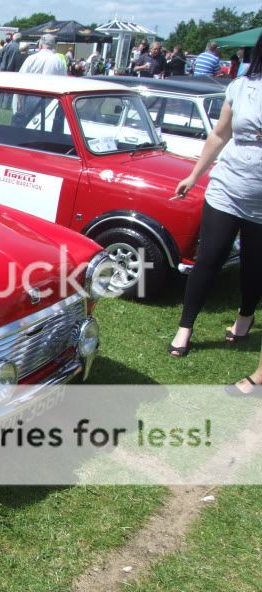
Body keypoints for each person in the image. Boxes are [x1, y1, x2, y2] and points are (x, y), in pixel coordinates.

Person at [168, 31, 262, 357]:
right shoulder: (242, 87)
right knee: (208, 258)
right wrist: (195, 175)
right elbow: (220, 135)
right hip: (227, 187)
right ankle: (184, 328)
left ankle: (245, 318)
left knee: (254, 264)